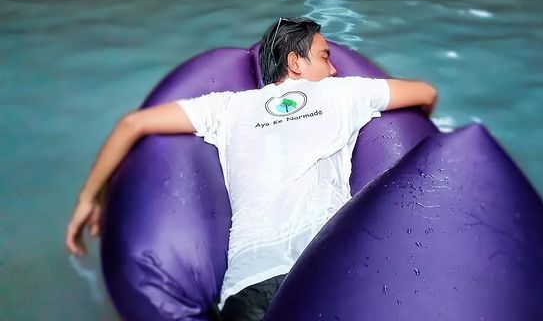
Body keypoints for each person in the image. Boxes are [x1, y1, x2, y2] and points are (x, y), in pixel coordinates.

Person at [66, 17, 438, 321]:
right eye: (325, 57)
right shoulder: (346, 92)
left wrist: (90, 197)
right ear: (295, 62)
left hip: (248, 286)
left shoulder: (227, 108)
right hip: (327, 269)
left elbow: (133, 124)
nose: (335, 67)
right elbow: (425, 93)